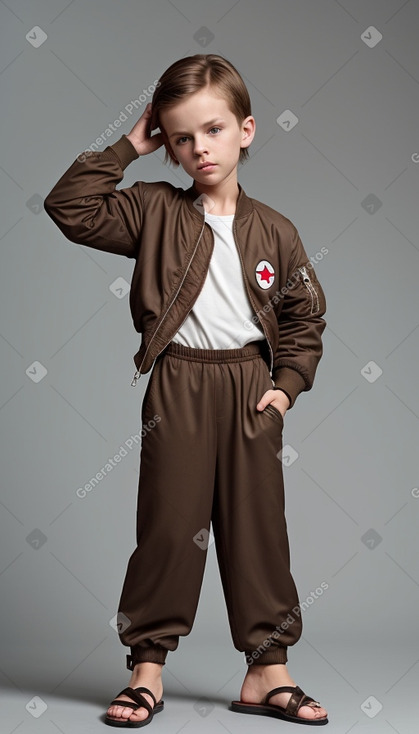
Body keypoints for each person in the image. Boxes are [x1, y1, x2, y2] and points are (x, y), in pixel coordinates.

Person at [44, 53, 328, 727]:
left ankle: (267, 670)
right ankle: (147, 669)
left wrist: (284, 388)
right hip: (179, 384)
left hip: (249, 386)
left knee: (257, 531)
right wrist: (125, 146)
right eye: (180, 137)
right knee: (168, 528)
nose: (199, 147)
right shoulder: (151, 212)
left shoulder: (276, 231)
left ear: (246, 131)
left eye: (213, 129)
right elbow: (69, 207)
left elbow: (304, 317)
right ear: (165, 146)